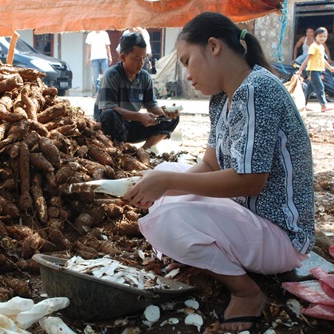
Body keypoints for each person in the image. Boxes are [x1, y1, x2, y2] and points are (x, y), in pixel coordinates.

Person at [124, 12, 314, 334]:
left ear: (213, 46)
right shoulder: (221, 100)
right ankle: (204, 251)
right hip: (249, 218)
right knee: (167, 176)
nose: (187, 74)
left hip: (283, 236)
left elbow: (251, 180)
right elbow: (210, 166)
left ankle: (247, 293)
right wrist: (161, 184)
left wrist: (168, 184)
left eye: (187, 61)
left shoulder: (257, 90)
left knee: (170, 215)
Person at [94, 32, 179, 151]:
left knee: (173, 118)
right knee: (109, 115)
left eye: (143, 58)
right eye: (136, 59)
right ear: (123, 57)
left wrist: (165, 113)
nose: (141, 63)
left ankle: (143, 151)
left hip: (132, 126)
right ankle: (116, 152)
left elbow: (151, 105)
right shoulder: (111, 76)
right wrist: (139, 116)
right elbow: (108, 108)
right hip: (111, 127)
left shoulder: (145, 77)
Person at [297, 27, 334, 112]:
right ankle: (323, 106)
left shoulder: (321, 47)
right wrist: (300, 70)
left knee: (309, 89)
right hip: (312, 70)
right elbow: (307, 59)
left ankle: (303, 106)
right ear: (315, 36)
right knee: (320, 87)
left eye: (325, 36)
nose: (323, 38)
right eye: (320, 36)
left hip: (318, 70)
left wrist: (330, 67)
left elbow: (322, 59)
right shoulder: (313, 46)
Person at [85, 30, 113, 96]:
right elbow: (88, 47)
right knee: (96, 77)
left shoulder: (105, 34)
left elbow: (107, 46)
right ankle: (98, 93)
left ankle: (106, 92)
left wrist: (110, 56)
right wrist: (87, 58)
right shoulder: (90, 34)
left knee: (106, 75)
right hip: (94, 58)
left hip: (104, 57)